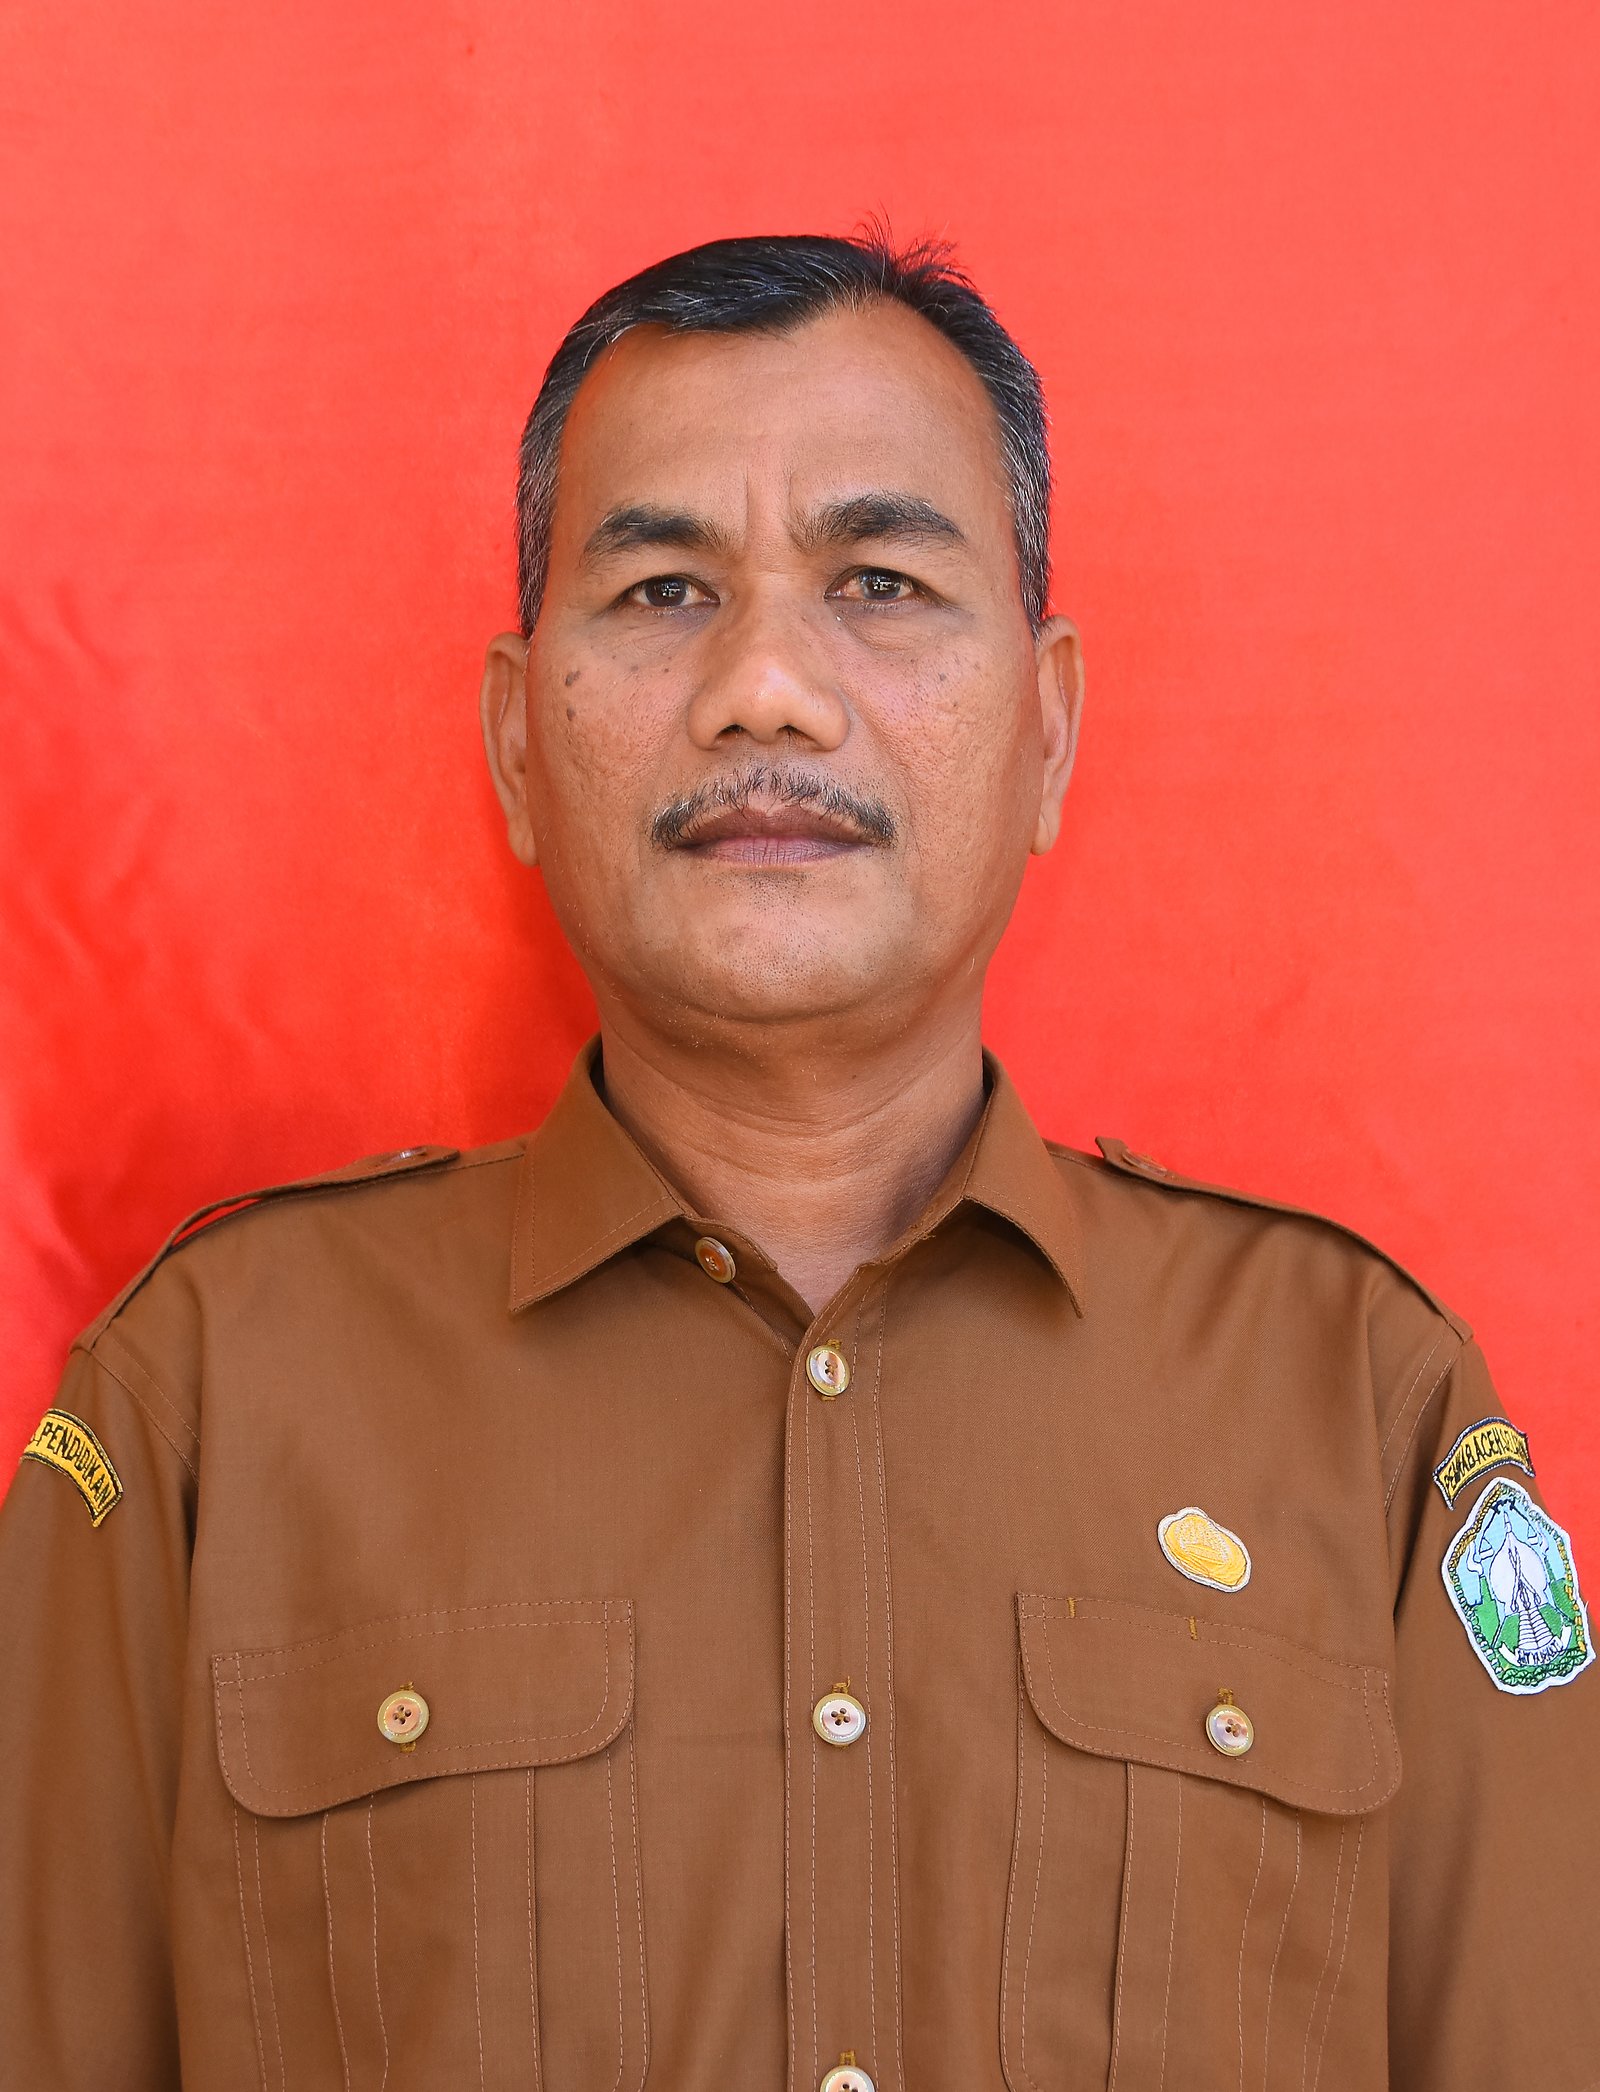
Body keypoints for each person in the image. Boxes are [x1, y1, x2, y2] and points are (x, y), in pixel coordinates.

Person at [1, 232, 1594, 2092]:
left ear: (1049, 728)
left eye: (881, 583)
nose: (766, 685)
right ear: (516, 740)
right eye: (665, 588)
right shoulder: (207, 1404)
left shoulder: (1360, 1407)